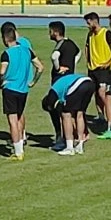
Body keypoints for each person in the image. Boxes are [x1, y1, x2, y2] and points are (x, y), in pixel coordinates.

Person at [0, 27, 44, 162]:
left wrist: (1, 82)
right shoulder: (27, 51)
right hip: (23, 90)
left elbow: (2, 72)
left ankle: (18, 152)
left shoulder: (6, 54)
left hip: (10, 89)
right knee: (19, 117)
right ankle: (20, 146)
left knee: (12, 120)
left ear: (5, 39)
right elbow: (40, 67)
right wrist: (33, 81)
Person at [42, 73, 95, 156]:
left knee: (66, 115)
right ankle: (80, 145)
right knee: (79, 114)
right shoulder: (61, 90)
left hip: (77, 85)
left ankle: (69, 147)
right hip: (89, 83)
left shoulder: (53, 92)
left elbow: (52, 106)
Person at [47, 21, 81, 150]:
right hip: (71, 79)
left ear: (56, 32)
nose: (49, 34)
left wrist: (58, 68)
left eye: (50, 31)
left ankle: (61, 137)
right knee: (69, 109)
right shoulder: (71, 43)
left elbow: (54, 56)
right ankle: (75, 137)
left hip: (60, 81)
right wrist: (72, 64)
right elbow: (79, 53)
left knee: (55, 106)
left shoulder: (60, 44)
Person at [1, 21, 34, 142]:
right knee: (20, 112)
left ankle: (18, 139)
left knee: (14, 116)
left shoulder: (15, 46)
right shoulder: (25, 43)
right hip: (25, 80)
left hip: (17, 81)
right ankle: (22, 135)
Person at [84, 12, 111, 137]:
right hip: (93, 69)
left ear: (95, 21)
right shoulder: (90, 34)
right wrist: (88, 61)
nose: (87, 25)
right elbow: (87, 47)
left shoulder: (106, 33)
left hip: (104, 69)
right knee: (96, 93)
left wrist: (109, 63)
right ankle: (101, 115)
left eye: (88, 23)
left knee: (103, 93)